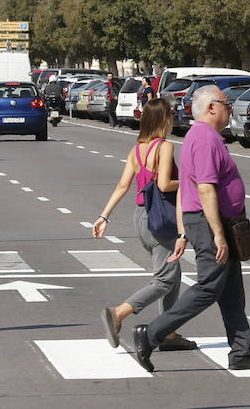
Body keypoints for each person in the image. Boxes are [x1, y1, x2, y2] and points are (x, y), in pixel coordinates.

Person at [133, 86, 250, 372]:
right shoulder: (205, 139)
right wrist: (218, 234)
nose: (230, 107)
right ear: (212, 107)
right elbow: (205, 189)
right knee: (209, 287)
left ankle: (240, 352)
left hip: (212, 221)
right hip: (212, 222)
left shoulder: (201, 137)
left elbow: (188, 189)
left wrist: (188, 232)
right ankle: (150, 335)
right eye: (226, 103)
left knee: (232, 291)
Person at [92, 98, 196, 353]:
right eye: (170, 115)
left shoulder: (137, 149)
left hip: (141, 216)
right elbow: (163, 185)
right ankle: (119, 313)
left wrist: (104, 217)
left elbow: (123, 186)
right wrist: (187, 181)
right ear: (163, 120)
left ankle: (169, 332)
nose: (173, 119)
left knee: (173, 275)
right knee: (164, 279)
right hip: (160, 218)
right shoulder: (165, 147)